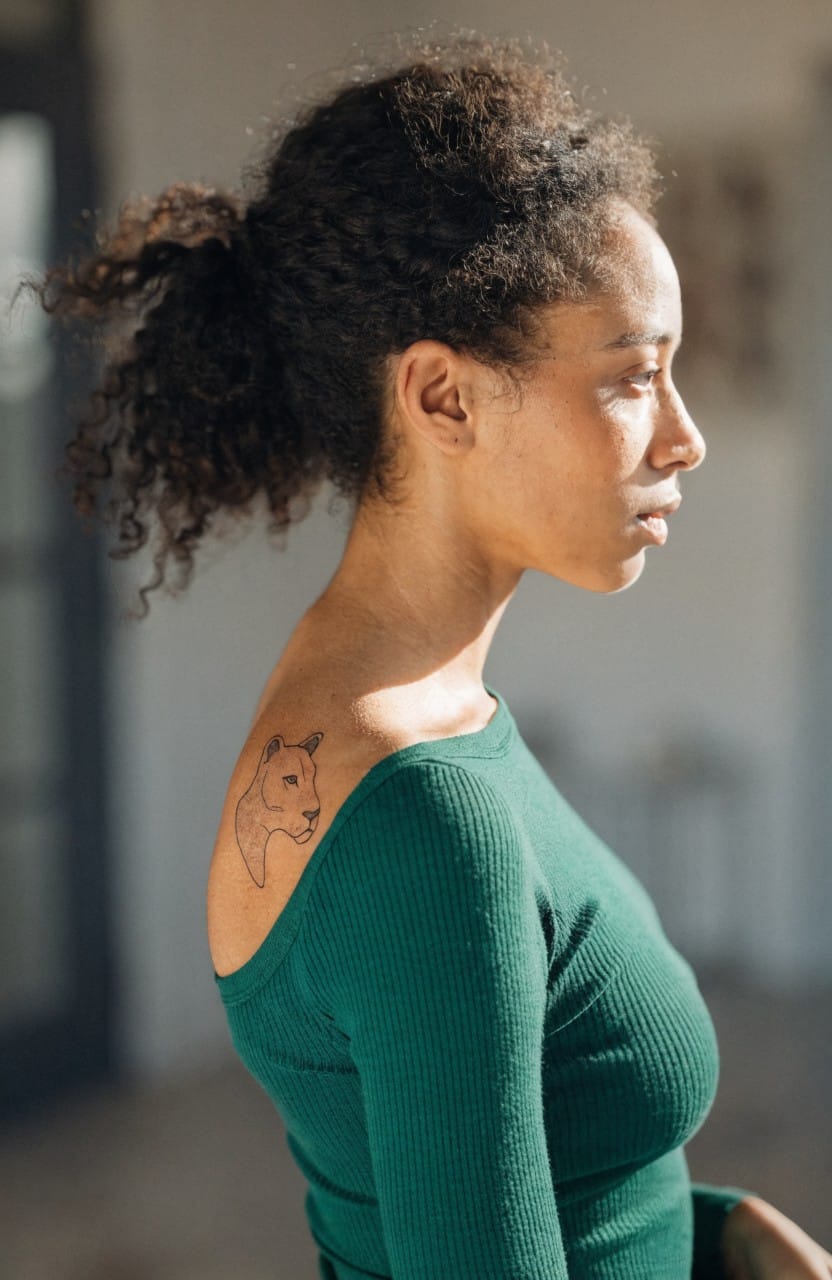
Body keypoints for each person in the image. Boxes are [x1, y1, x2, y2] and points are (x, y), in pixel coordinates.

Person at [36, 28, 831, 1280]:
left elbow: (553, 1162)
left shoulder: (405, 704)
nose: (682, 437)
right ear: (445, 398)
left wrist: (716, 1230)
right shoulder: (422, 819)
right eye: (632, 377)